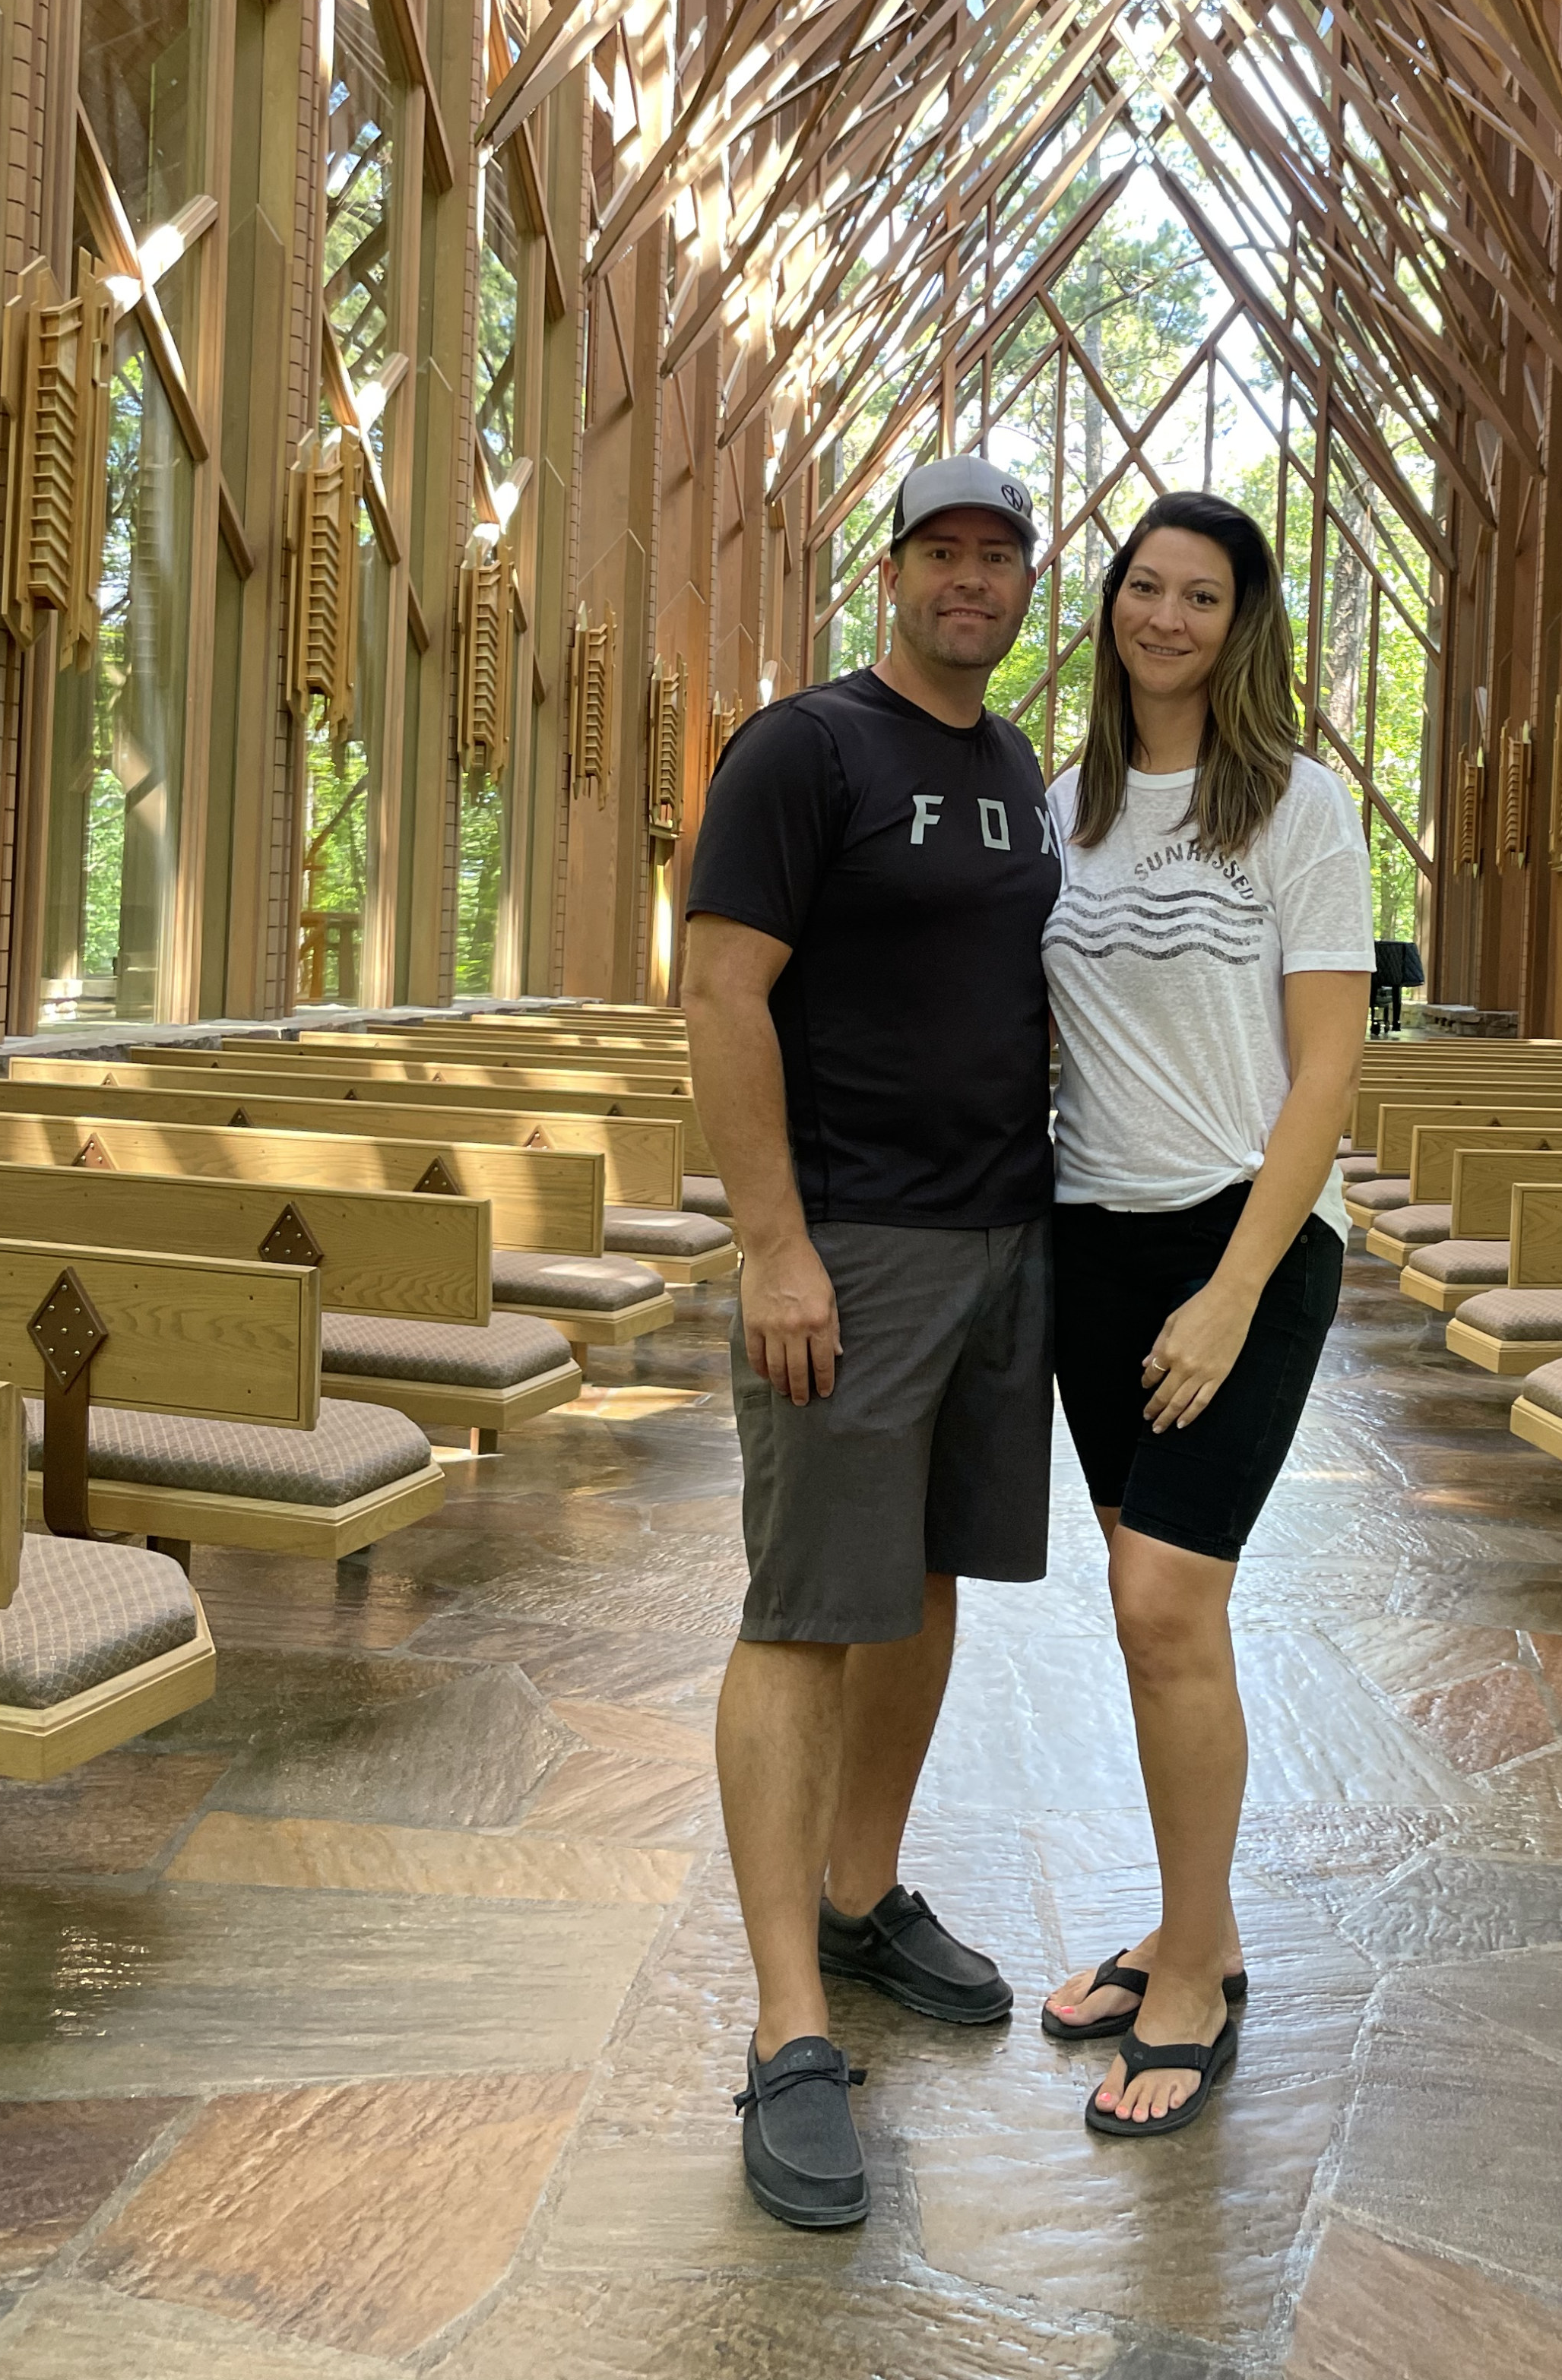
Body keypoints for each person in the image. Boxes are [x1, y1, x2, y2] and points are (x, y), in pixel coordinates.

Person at [682, 454, 1059, 2231]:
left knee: (922, 1584)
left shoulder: (1019, 768)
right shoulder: (803, 747)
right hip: (852, 1247)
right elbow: (720, 990)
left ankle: (860, 1892)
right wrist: (776, 1245)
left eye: (999, 555)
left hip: (1003, 1240)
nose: (969, 579)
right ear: (893, 571)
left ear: (1025, 584)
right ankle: (787, 2027)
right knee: (804, 1610)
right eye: (941, 551)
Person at [1035, 491, 1373, 2135]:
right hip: (1088, 1241)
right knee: (1145, 1605)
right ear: (1112, 604)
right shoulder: (1064, 808)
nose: (1166, 616)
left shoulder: (1297, 806)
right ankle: (1200, 1926)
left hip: (1245, 1238)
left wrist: (1235, 1288)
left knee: (1169, 1598)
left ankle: (1189, 1985)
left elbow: (1329, 1065)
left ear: (1244, 627)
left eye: (1204, 595)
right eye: (1145, 586)